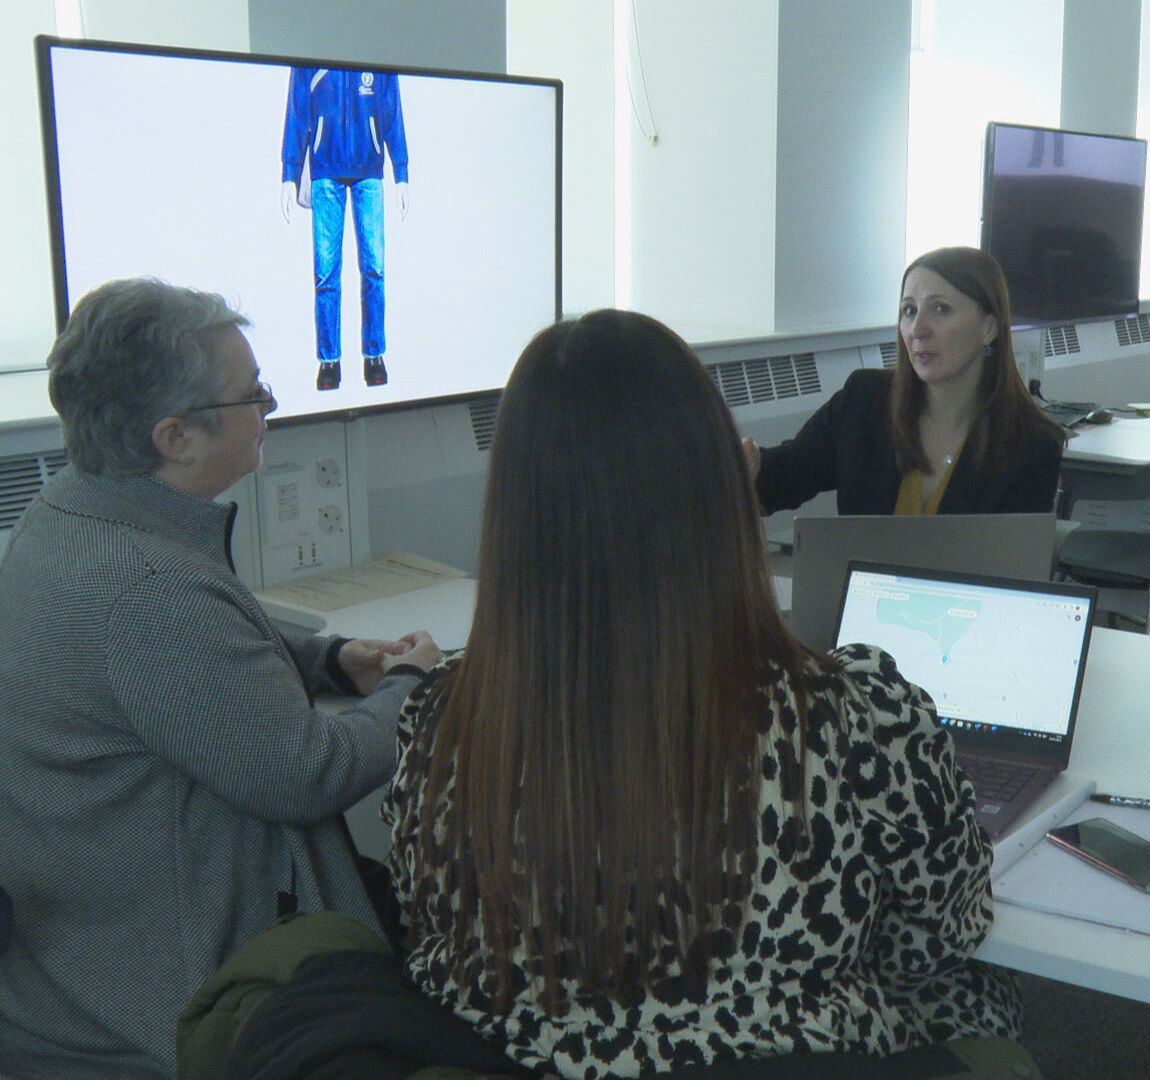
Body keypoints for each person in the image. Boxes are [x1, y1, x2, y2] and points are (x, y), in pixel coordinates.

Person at [383, 310, 1019, 1076]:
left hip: (523, 1058)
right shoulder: (855, 719)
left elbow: (427, 923)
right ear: (721, 484)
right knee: (984, 1005)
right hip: (791, 1058)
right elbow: (944, 932)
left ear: (514, 508)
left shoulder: (441, 722)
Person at [0, 278, 441, 1080]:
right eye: (254, 394)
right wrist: (412, 689)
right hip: (168, 1004)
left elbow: (187, 666)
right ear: (177, 437)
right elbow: (309, 772)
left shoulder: (67, 516)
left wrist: (327, 656)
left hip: (81, 961)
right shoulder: (150, 589)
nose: (267, 407)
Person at [748, 246, 1065, 516]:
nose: (917, 330)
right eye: (909, 311)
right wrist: (738, 466)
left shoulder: (1033, 444)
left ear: (989, 328)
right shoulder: (864, 400)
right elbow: (779, 479)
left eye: (940, 309)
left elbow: (1013, 568)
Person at [282, 66, 410, 391]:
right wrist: (290, 173)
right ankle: (329, 362)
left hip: (370, 169)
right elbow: (297, 110)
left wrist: (401, 171)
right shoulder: (308, 57)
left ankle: (374, 355)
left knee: (374, 269)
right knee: (326, 272)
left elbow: (392, 109)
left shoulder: (377, 55)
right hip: (325, 169)